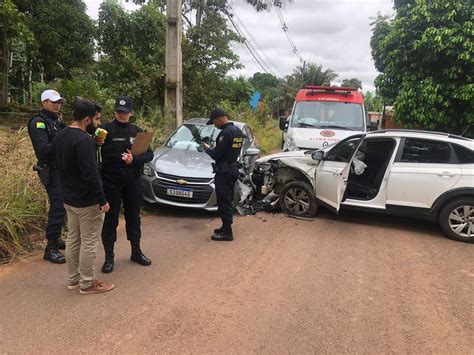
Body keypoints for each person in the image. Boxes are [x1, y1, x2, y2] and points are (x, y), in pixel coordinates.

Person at [53, 100, 114, 295]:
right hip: (87, 201)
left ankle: (74, 279)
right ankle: (87, 283)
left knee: (73, 239)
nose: (99, 122)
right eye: (97, 119)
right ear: (87, 119)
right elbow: (90, 174)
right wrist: (102, 200)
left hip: (69, 197)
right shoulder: (84, 141)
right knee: (88, 241)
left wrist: (94, 145)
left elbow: (66, 163)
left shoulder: (60, 135)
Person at [99, 96, 153, 273]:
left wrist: (134, 159)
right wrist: (95, 141)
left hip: (132, 181)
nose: (122, 115)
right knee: (111, 219)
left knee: (133, 217)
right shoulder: (104, 129)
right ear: (115, 111)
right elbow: (91, 146)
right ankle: (109, 258)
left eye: (125, 112)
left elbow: (149, 155)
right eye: (119, 112)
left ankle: (136, 252)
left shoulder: (137, 131)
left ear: (131, 113)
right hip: (111, 181)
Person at [27, 89, 67, 264]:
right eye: (53, 101)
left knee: (62, 205)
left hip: (61, 168)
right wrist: (62, 138)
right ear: (44, 103)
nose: (57, 104)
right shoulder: (38, 123)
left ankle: (56, 238)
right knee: (57, 205)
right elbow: (43, 149)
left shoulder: (56, 120)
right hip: (51, 170)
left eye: (59, 102)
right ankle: (50, 248)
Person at [203, 109, 244, 241]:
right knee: (227, 199)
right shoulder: (237, 131)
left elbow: (216, 154)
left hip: (224, 171)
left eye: (214, 122)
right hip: (232, 168)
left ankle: (227, 232)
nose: (214, 125)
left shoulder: (225, 133)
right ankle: (225, 226)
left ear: (219, 119)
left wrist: (207, 149)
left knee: (224, 201)